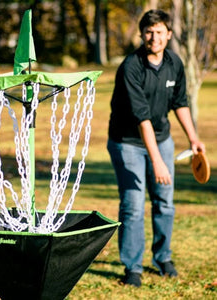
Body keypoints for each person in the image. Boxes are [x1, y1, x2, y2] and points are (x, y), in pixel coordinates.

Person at [107, 9, 205, 287]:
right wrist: (158, 162)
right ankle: (133, 267)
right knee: (134, 205)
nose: (154, 37)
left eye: (160, 31)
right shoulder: (131, 67)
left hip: (161, 138)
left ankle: (163, 257)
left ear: (169, 34)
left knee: (165, 202)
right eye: (149, 32)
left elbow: (180, 102)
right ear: (142, 34)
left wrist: (193, 138)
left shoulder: (175, 62)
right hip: (127, 143)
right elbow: (142, 119)